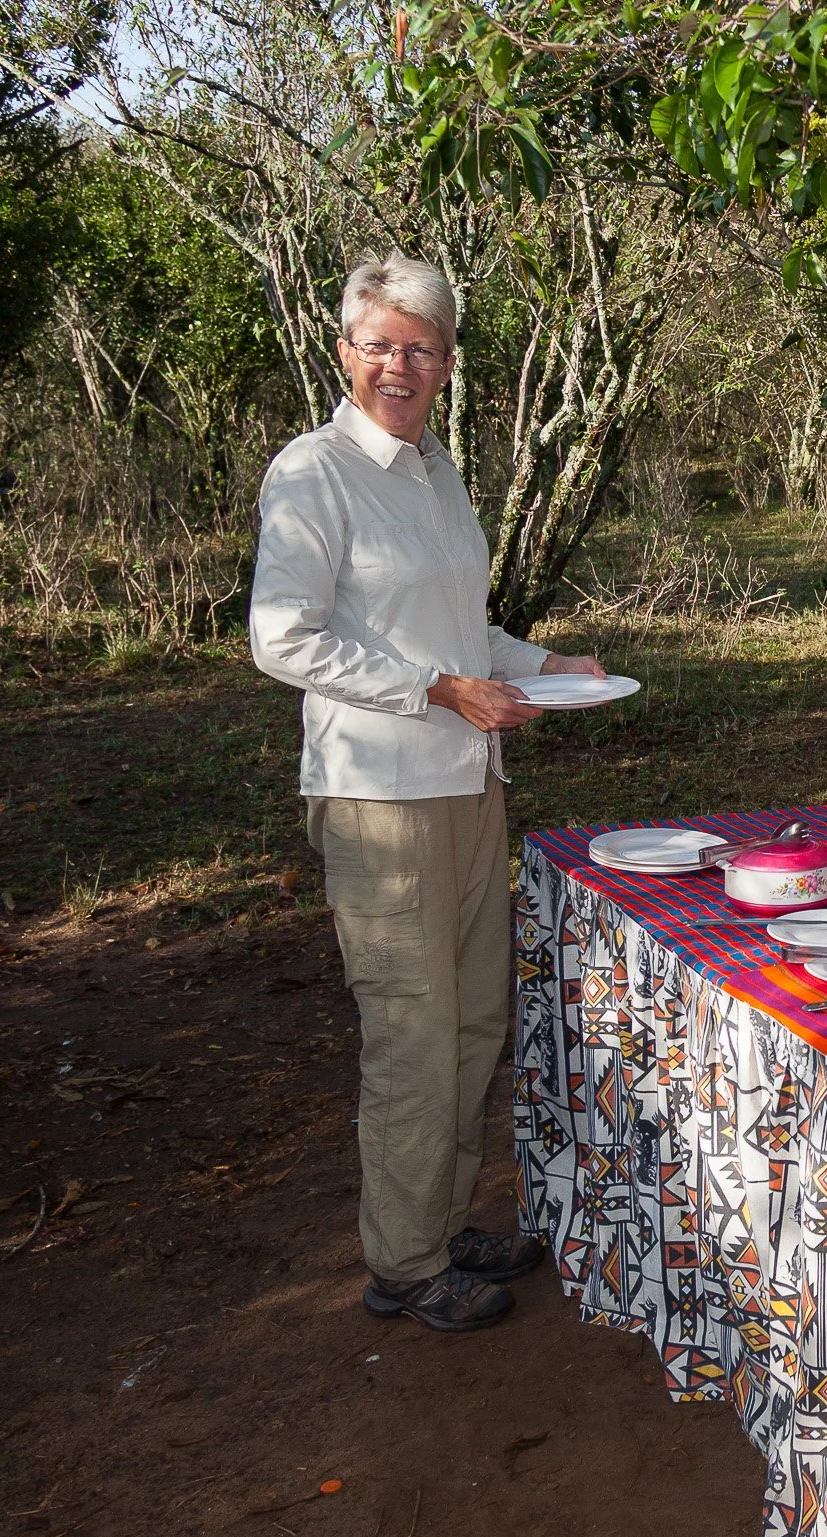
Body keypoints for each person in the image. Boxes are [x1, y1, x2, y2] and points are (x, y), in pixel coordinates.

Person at [250, 255, 601, 1332]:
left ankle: (442, 1223)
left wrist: (541, 666)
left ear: (447, 362)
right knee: (412, 1028)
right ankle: (401, 1263)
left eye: (421, 346)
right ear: (344, 350)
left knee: (472, 1021)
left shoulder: (435, 470)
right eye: (380, 344)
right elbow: (282, 637)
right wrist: (437, 688)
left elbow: (459, 635)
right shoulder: (314, 473)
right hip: (379, 794)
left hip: (463, 781)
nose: (399, 364)